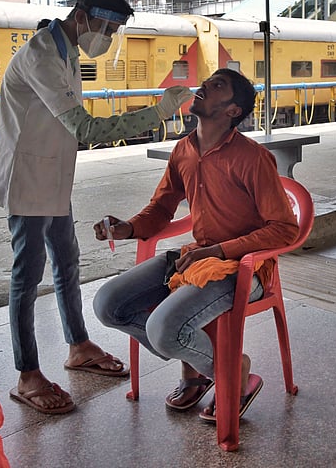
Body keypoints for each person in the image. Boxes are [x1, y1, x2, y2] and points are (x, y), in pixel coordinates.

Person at [0, 0, 193, 415]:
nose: (108, 39)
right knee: (27, 274)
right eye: (106, 29)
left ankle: (78, 346)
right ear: (81, 17)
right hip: (27, 177)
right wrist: (158, 112)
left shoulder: (68, 51)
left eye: (113, 32)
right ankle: (27, 374)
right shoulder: (42, 56)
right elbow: (88, 130)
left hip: (52, 174)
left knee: (67, 260)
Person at [92, 68, 299, 422]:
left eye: (216, 85)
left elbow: (284, 229)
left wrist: (218, 251)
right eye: (207, 81)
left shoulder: (253, 158)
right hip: (195, 258)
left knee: (163, 329)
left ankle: (233, 373)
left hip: (242, 267)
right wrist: (126, 228)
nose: (203, 86)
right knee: (108, 304)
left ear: (233, 111)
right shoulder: (184, 149)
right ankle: (203, 363)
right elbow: (161, 209)